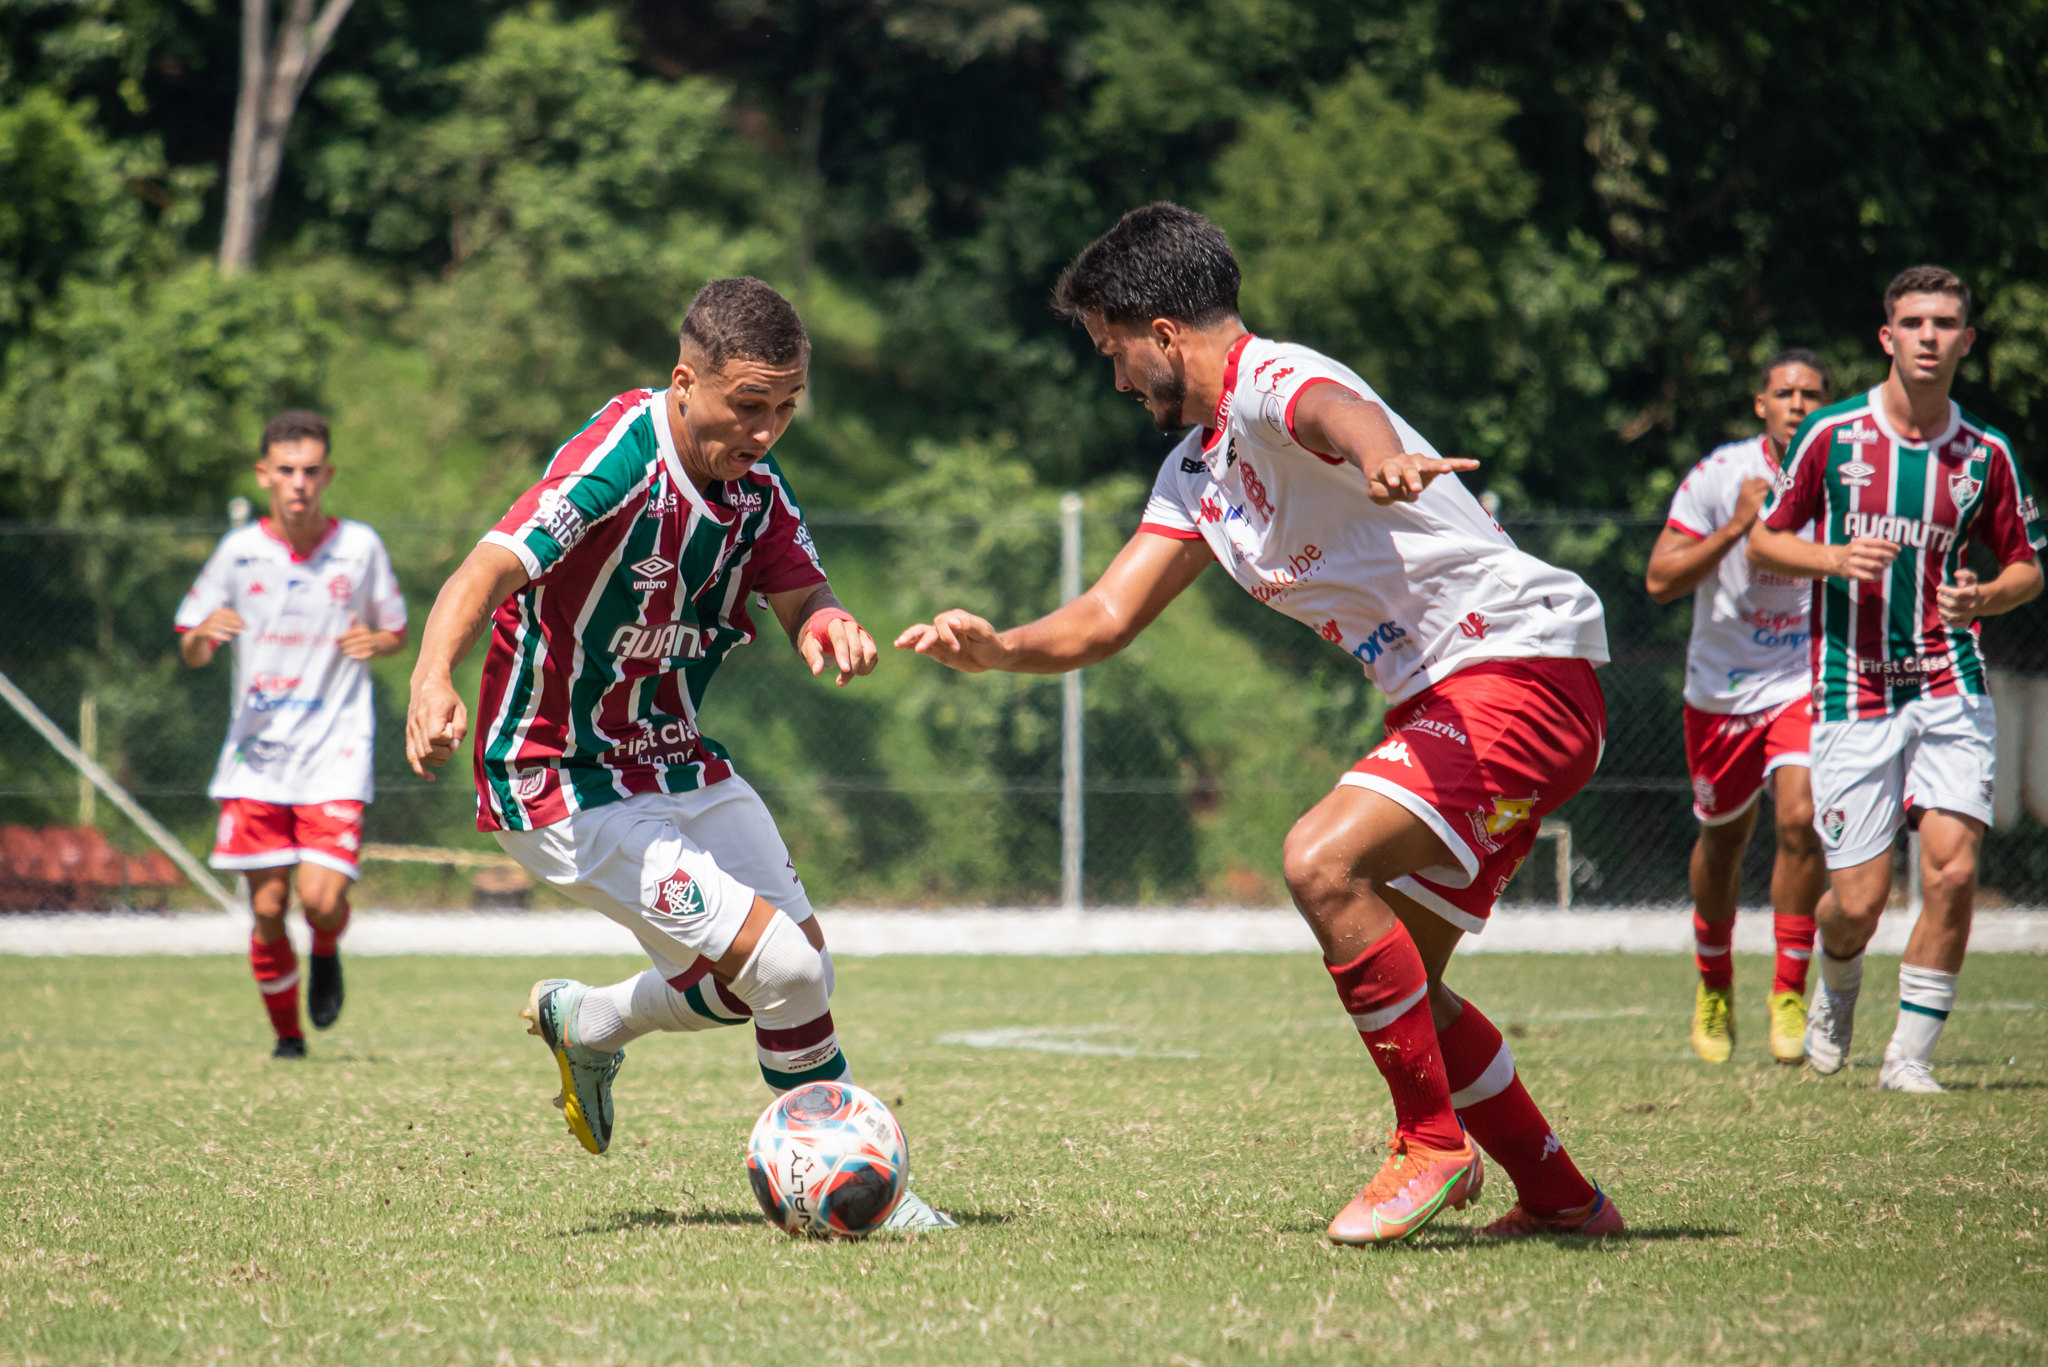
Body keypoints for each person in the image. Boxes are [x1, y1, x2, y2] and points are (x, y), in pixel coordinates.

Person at [897, 204, 1622, 1243]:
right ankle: (1560, 1196)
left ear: (1163, 334)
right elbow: (1105, 615)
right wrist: (996, 646)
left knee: (1319, 860)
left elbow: (1336, 411)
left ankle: (1430, 1145)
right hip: (1453, 695)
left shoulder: (1269, 379)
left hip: (1516, 669)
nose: (1113, 382)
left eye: (1113, 353)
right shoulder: (1195, 470)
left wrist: (1378, 454)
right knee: (1411, 983)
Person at [404, 277, 950, 1229]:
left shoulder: (758, 491)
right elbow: (486, 567)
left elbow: (800, 591)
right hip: (558, 778)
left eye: (785, 408)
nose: (767, 429)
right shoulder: (622, 457)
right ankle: (858, 1189)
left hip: (674, 759)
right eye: (749, 406)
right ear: (685, 381)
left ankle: (590, 1021)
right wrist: (429, 677)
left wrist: (828, 624)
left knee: (791, 978)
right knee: (777, 970)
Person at [1750, 265, 2044, 1092]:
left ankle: (1908, 1060)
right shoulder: (1833, 437)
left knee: (1952, 870)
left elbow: (2027, 566)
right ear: (1887, 337)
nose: (1927, 336)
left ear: (1966, 341)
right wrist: (1832, 556)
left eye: (1944, 323)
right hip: (1853, 687)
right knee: (1858, 900)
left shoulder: (1985, 454)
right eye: (1912, 322)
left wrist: (1984, 594)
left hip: (1949, 682)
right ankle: (1836, 988)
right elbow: (1766, 542)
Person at [175, 411, 408, 1058]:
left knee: (320, 897)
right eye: (286, 471)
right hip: (256, 758)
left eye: (311, 471)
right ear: (264, 474)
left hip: (334, 749)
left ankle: (327, 948)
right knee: (270, 907)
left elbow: (396, 628)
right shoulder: (239, 552)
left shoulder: (359, 547)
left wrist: (380, 642)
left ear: (327, 474)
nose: (299, 483)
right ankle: (287, 1036)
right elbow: (191, 644)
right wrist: (202, 637)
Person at [1646, 352, 1831, 1065]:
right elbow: (1660, 578)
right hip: (1721, 686)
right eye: (1783, 392)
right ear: (1761, 404)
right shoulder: (1721, 475)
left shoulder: (1846, 474)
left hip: (1803, 675)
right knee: (1723, 839)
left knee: (1800, 818)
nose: (1796, 404)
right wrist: (1736, 529)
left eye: (1811, 394)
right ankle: (1714, 982)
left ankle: (1789, 990)